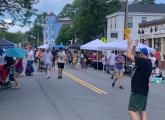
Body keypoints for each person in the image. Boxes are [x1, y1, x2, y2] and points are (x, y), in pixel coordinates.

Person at [126, 39, 152, 120]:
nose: (139, 54)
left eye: (141, 53)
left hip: (138, 90)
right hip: (143, 90)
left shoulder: (143, 61)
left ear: (142, 54)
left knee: (131, 110)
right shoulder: (147, 62)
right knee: (142, 110)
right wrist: (134, 47)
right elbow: (133, 56)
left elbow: (129, 55)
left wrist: (129, 45)